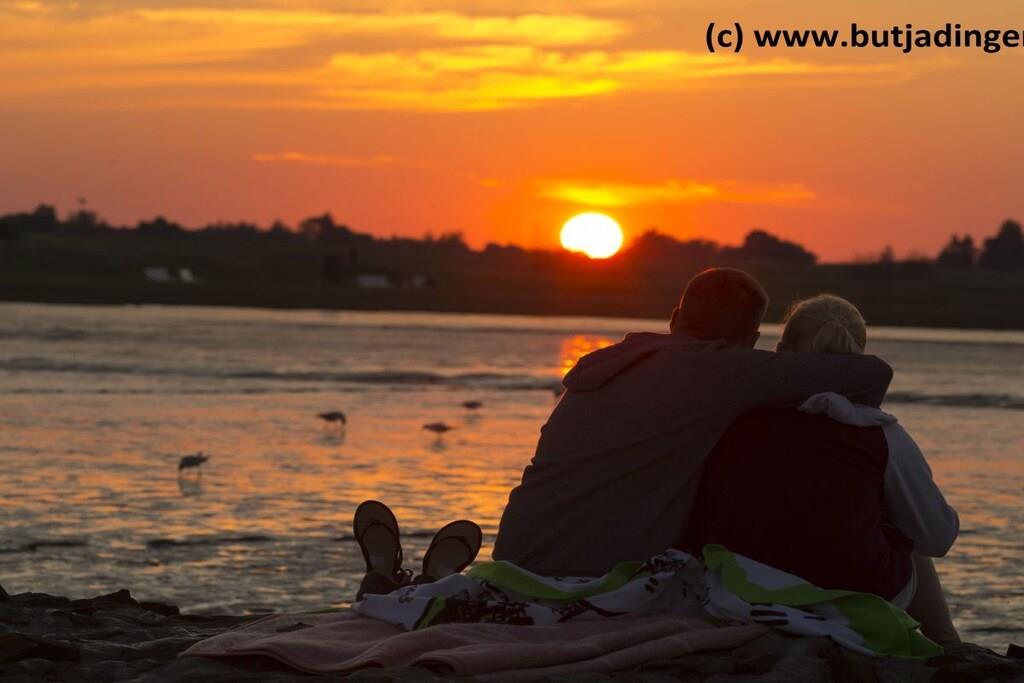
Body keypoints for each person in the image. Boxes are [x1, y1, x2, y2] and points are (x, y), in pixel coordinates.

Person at [493, 268, 893, 577]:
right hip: (595, 574)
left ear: (673, 319)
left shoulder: (610, 362)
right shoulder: (726, 371)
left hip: (515, 558)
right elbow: (873, 374)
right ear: (752, 341)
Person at [687, 294, 960, 643]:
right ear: (859, 360)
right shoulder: (879, 433)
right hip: (854, 591)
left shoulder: (738, 419)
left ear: (780, 352)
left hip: (741, 587)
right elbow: (937, 538)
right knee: (908, 528)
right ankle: (948, 643)